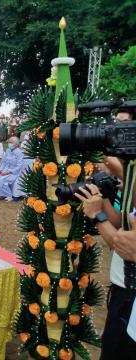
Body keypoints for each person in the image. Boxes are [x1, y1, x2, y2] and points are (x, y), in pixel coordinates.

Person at [75, 109, 136, 359]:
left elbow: (124, 243)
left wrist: (96, 216)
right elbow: (126, 222)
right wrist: (103, 202)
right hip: (122, 285)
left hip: (129, 291)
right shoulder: (128, 174)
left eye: (123, 127)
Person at [0, 137, 24, 201]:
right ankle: (0, 194)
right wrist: (0, 170)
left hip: (15, 171)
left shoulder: (20, 152)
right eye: (9, 142)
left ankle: (9, 195)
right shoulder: (8, 150)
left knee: (2, 180)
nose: (9, 144)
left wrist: (9, 172)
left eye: (11, 142)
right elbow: (4, 162)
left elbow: (19, 166)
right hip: (6, 169)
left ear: (16, 144)